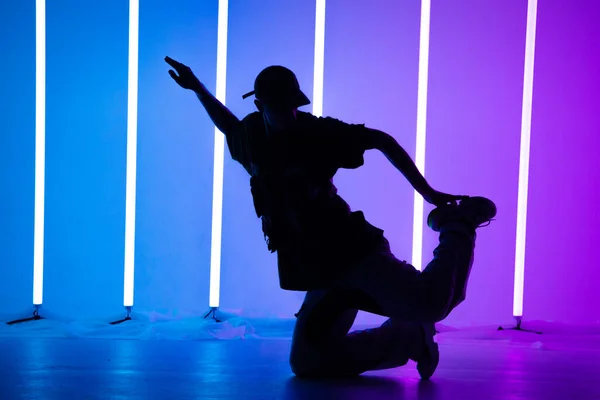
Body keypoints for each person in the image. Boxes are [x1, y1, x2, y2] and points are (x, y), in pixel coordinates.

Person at [165, 56, 497, 380]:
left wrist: (430, 194)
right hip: (321, 272)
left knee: (430, 304)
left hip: (353, 252)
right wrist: (197, 88)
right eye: (277, 105)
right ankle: (408, 337)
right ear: (260, 106)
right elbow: (228, 126)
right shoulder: (250, 137)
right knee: (308, 362)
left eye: (291, 104)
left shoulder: (319, 133)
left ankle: (457, 225)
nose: (286, 113)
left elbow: (380, 140)